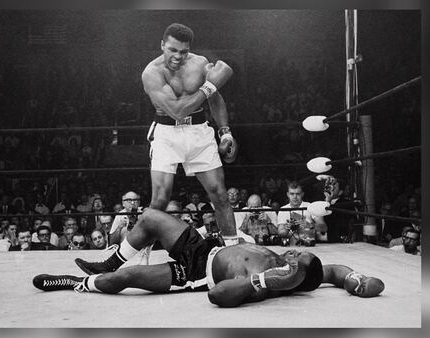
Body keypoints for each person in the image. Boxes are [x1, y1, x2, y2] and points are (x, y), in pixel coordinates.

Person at [33, 208, 385, 308]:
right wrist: (360, 282)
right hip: (204, 245)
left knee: (123, 281)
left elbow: (216, 296)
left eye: (295, 257)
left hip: (195, 273)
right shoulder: (303, 266)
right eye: (296, 250)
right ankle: (108, 260)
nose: (291, 250)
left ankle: (79, 284)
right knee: (153, 217)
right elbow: (340, 272)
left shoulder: (267, 285)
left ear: (293, 273)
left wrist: (263, 281)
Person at [141, 23, 238, 239]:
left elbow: (215, 99)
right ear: (162, 45)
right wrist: (210, 85)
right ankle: (142, 253)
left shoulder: (200, 63)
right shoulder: (152, 73)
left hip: (199, 131)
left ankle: (233, 250)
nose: (178, 56)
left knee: (220, 195)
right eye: (172, 50)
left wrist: (225, 132)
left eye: (183, 52)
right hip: (166, 133)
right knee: (160, 199)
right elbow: (176, 111)